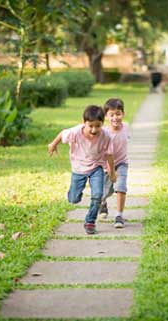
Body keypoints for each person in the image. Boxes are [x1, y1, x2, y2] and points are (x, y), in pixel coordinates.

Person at [48, 105, 117, 235]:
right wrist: (53, 144)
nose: (94, 129)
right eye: (90, 126)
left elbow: (109, 155)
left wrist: (112, 172)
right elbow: (62, 133)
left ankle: (90, 221)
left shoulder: (106, 136)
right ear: (83, 122)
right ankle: (73, 194)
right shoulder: (75, 132)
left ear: (102, 123)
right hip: (78, 168)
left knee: (97, 195)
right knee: (73, 199)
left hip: (96, 167)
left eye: (98, 126)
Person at [99, 98, 129, 228]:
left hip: (122, 163)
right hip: (106, 167)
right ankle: (103, 203)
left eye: (118, 114)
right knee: (104, 192)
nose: (115, 117)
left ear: (123, 114)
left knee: (120, 187)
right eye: (111, 115)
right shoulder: (104, 132)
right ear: (106, 116)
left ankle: (119, 215)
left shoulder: (126, 127)